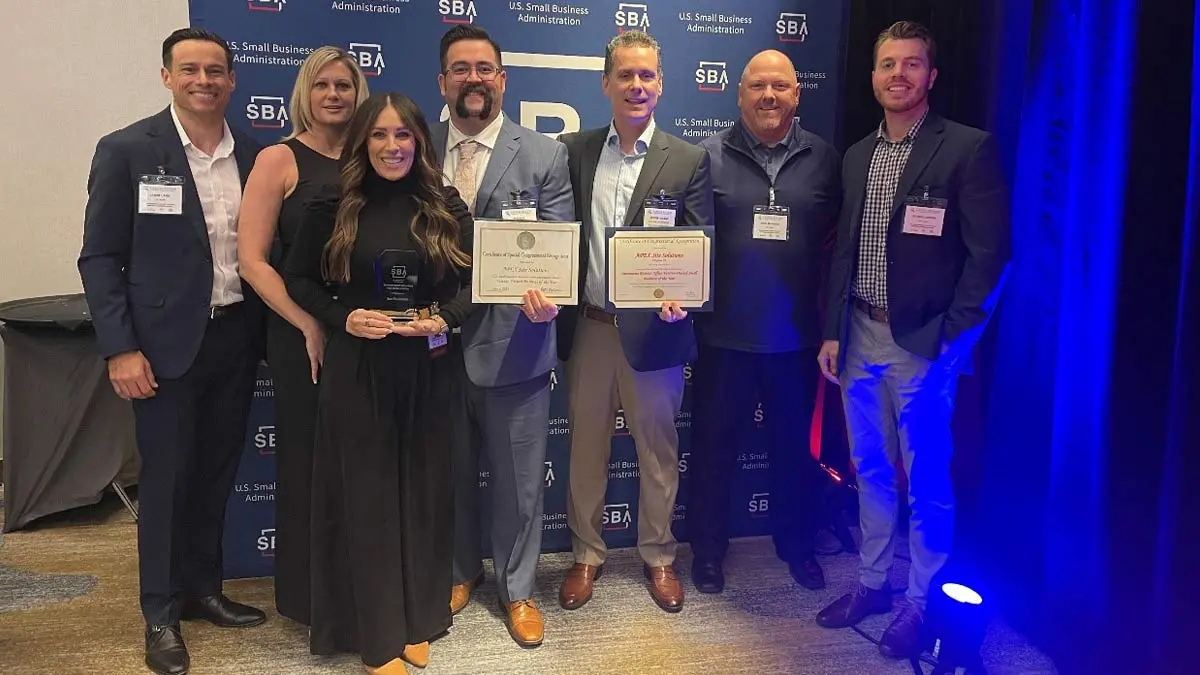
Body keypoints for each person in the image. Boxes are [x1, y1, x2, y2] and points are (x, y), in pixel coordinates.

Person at [815, 21, 1011, 659]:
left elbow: (991, 258)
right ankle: (873, 582)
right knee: (870, 469)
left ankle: (921, 600)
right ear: (873, 77)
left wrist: (955, 342)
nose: (898, 75)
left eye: (911, 64)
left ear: (930, 76)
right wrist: (831, 331)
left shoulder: (966, 148)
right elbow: (845, 249)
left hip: (925, 346)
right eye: (887, 64)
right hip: (858, 336)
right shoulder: (857, 155)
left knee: (927, 479)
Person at [78, 27, 267, 675]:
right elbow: (100, 257)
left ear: (232, 80)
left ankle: (201, 589)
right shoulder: (129, 149)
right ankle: (159, 612)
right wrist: (119, 348)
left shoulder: (257, 155)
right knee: (164, 483)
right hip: (159, 349)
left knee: (215, 472)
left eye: (216, 70)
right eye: (190, 69)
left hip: (237, 337)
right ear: (167, 77)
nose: (204, 80)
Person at [284, 92, 472, 675]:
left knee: (422, 497)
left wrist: (445, 319)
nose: (393, 147)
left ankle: (418, 621)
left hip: (428, 368)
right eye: (380, 136)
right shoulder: (332, 203)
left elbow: (475, 286)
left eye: (403, 136)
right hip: (359, 366)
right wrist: (343, 318)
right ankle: (377, 639)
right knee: (366, 500)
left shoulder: (445, 205)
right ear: (362, 143)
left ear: (420, 141)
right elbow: (300, 281)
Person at [555, 30, 714, 614]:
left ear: (661, 85)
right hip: (591, 326)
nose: (637, 85)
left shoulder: (688, 159)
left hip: (658, 332)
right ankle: (587, 555)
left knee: (658, 451)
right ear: (606, 83)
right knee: (585, 450)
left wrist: (686, 296)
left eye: (647, 75)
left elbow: (698, 245)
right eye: (625, 75)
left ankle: (658, 556)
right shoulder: (573, 151)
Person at [430, 25, 573, 647]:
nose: (474, 79)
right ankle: (460, 572)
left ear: (503, 80)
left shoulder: (544, 154)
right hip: (432, 346)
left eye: (485, 69)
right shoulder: (413, 145)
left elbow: (558, 247)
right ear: (444, 82)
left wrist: (551, 301)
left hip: (518, 343)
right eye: (461, 69)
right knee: (450, 471)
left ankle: (518, 589)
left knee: (519, 482)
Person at [691, 50, 842, 594]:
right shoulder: (706, 156)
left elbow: (839, 249)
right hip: (722, 338)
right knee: (711, 452)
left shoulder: (825, 159)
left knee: (793, 452)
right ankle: (707, 552)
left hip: (796, 340)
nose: (769, 96)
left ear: (797, 94)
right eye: (758, 86)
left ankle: (797, 546)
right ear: (740, 92)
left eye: (780, 86)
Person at [237, 46, 368, 626]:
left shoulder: (378, 158)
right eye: (323, 86)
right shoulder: (278, 159)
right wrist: (308, 322)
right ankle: (309, 600)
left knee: (362, 467)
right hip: (301, 337)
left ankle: (363, 593)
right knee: (308, 465)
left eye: (344, 84)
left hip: (366, 334)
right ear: (305, 95)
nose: (334, 95)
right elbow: (251, 260)